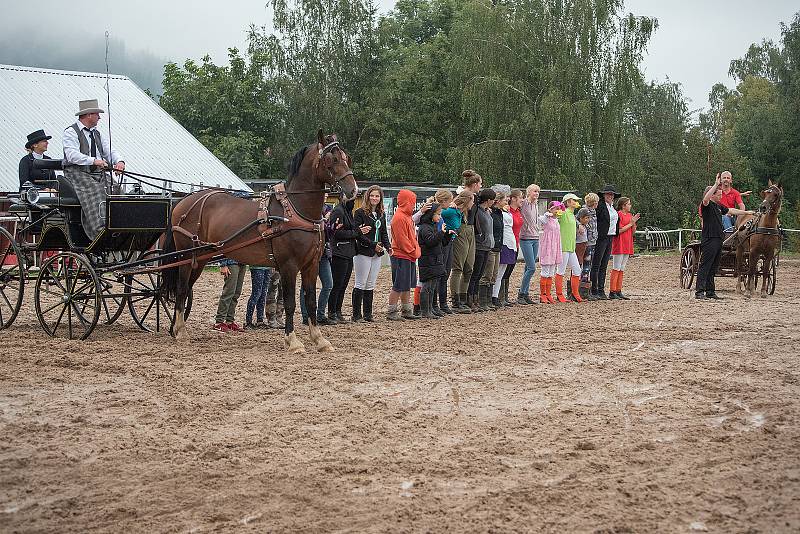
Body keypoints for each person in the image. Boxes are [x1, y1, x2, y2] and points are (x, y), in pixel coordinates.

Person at [62, 99, 125, 240]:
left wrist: (119, 161)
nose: (99, 117)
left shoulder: (97, 134)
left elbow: (109, 150)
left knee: (116, 189)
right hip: (76, 173)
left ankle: (120, 224)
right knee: (96, 190)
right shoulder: (71, 132)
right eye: (97, 114)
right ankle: (100, 229)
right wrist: (93, 160)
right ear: (89, 115)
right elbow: (72, 155)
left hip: (96, 172)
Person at [696, 174, 753, 300]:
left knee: (713, 267)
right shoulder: (707, 205)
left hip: (718, 239)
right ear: (712, 195)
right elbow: (705, 199)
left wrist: (747, 212)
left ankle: (710, 291)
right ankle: (699, 292)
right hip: (709, 239)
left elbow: (731, 210)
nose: (721, 196)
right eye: (719, 194)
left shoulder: (718, 206)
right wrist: (716, 184)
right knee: (705, 265)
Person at [352, 186, 391, 322]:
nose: (375, 198)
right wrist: (373, 245)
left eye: (377, 196)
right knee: (360, 283)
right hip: (363, 251)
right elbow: (358, 234)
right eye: (372, 196)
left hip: (377, 252)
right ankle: (356, 315)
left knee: (370, 284)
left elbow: (384, 233)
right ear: (368, 197)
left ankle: (368, 314)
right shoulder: (359, 213)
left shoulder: (381, 214)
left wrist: (388, 246)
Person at [450, 170, 483, 312]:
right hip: (462, 229)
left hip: (471, 230)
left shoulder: (475, 197)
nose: (481, 186)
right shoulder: (461, 195)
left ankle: (464, 298)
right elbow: (452, 206)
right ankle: (456, 300)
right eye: (480, 184)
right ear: (475, 184)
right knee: (458, 267)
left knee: (469, 267)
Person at [388, 189, 422, 320]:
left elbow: (411, 238)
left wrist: (414, 250)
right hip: (401, 255)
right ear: (406, 202)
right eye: (412, 202)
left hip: (408, 255)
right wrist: (414, 251)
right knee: (398, 284)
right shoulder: (399, 218)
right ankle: (391, 311)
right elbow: (402, 241)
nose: (413, 205)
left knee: (406, 284)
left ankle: (406, 310)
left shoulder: (406, 217)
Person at [417, 203, 454, 319]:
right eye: (438, 214)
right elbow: (430, 241)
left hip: (435, 260)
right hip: (428, 261)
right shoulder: (424, 227)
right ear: (430, 215)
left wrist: (447, 235)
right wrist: (441, 233)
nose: (439, 217)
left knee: (432, 287)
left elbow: (441, 242)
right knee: (427, 287)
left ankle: (430, 309)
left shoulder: (432, 226)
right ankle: (425, 311)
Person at [300, 204, 335, 326]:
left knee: (328, 284)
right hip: (310, 252)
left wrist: (331, 225)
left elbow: (329, 234)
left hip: (324, 252)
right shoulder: (309, 210)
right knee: (307, 284)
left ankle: (320, 314)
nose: (325, 195)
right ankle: (306, 316)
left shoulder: (328, 210)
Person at [441, 191, 473, 314]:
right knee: (457, 269)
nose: (473, 203)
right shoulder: (451, 211)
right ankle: (455, 301)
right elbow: (438, 212)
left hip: (451, 241)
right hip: (447, 242)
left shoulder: (460, 212)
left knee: (458, 269)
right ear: (466, 201)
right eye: (472, 201)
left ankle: (458, 300)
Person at [328, 198, 358, 322]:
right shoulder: (338, 211)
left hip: (348, 252)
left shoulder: (348, 211)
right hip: (339, 252)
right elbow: (336, 233)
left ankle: (338, 310)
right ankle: (332, 311)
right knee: (337, 284)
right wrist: (356, 232)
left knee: (343, 285)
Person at [590, 184, 620, 300]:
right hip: (601, 237)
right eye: (608, 194)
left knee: (604, 264)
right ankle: (594, 289)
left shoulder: (612, 208)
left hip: (610, 237)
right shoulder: (601, 206)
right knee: (597, 264)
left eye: (611, 194)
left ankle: (601, 289)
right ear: (604, 195)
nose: (610, 196)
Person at [468, 188, 496, 312]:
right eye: (492, 200)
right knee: (476, 274)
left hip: (487, 246)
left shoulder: (487, 211)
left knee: (479, 274)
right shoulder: (478, 211)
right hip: (480, 245)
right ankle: (471, 299)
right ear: (488, 200)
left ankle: (476, 298)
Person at [493, 189, 521, 307]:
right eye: (505, 200)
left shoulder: (507, 212)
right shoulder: (501, 213)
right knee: (498, 272)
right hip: (505, 242)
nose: (507, 201)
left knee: (504, 272)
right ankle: (495, 296)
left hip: (511, 242)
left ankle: (499, 296)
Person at [609, 197, 641, 300]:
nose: (630, 206)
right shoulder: (618, 215)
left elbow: (632, 232)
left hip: (627, 243)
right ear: (623, 205)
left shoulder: (629, 215)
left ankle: (618, 290)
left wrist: (634, 223)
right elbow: (619, 230)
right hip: (620, 243)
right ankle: (612, 290)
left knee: (622, 268)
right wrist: (631, 223)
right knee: (616, 267)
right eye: (628, 204)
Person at [555, 193, 583, 303]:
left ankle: (575, 293)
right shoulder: (564, 213)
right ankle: (559, 294)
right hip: (564, 247)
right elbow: (556, 214)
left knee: (577, 270)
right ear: (568, 202)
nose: (576, 202)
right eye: (573, 200)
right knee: (560, 270)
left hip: (571, 247)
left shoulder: (572, 215)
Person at [516, 184, 541, 305]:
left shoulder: (536, 204)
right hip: (525, 238)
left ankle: (525, 293)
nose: (537, 193)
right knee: (532, 267)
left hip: (535, 237)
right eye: (535, 191)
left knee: (528, 267)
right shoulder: (524, 203)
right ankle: (521, 293)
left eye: (538, 191)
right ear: (529, 192)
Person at [433, 189, 455, 315]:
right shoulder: (435, 213)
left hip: (446, 242)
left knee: (445, 273)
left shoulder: (442, 213)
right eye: (450, 200)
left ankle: (443, 302)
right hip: (439, 245)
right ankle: (436, 304)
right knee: (440, 275)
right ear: (444, 201)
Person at [484, 190, 506, 310]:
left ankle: (490, 298)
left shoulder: (499, 213)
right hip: (491, 246)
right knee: (488, 273)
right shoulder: (491, 213)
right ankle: (485, 300)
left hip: (498, 245)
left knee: (494, 274)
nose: (506, 201)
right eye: (504, 200)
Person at [538, 201, 563, 304]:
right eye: (555, 208)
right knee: (545, 272)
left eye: (558, 208)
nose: (557, 210)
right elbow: (541, 219)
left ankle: (548, 294)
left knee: (551, 272)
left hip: (555, 247)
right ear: (550, 209)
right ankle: (542, 294)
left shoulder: (556, 220)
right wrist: (547, 214)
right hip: (547, 247)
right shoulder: (546, 219)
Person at [214, 258, 246, 332]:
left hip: (242, 262)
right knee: (228, 292)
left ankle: (229, 321)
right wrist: (223, 264)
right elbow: (222, 246)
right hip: (231, 262)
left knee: (236, 293)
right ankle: (219, 322)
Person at [581, 194, 599, 300]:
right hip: (586, 242)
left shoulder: (594, 212)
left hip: (593, 241)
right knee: (586, 267)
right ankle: (583, 290)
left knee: (589, 266)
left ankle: (587, 289)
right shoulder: (585, 211)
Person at [575, 206, 591, 300]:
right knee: (578, 264)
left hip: (585, 244)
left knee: (586, 266)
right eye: (586, 218)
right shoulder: (578, 225)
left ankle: (583, 288)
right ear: (580, 218)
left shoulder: (585, 225)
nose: (587, 220)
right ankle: (575, 288)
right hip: (579, 245)